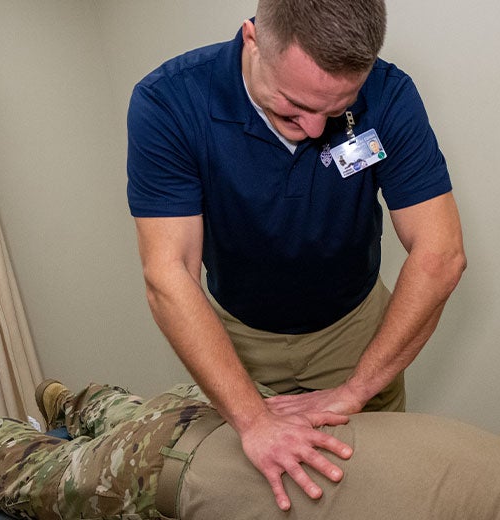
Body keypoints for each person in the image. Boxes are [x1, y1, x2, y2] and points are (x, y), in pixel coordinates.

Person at [127, 0, 465, 510]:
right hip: (236, 337)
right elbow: (167, 274)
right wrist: (253, 420)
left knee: (373, 494)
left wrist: (356, 390)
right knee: (249, 494)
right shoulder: (170, 102)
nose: (312, 129)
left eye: (333, 112)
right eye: (291, 106)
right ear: (253, 39)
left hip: (355, 329)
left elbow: (440, 255)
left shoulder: (390, 95)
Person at [0, 380, 500, 520]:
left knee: (131, 412)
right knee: (33, 476)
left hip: (218, 418)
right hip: (159, 476)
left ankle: (79, 399)